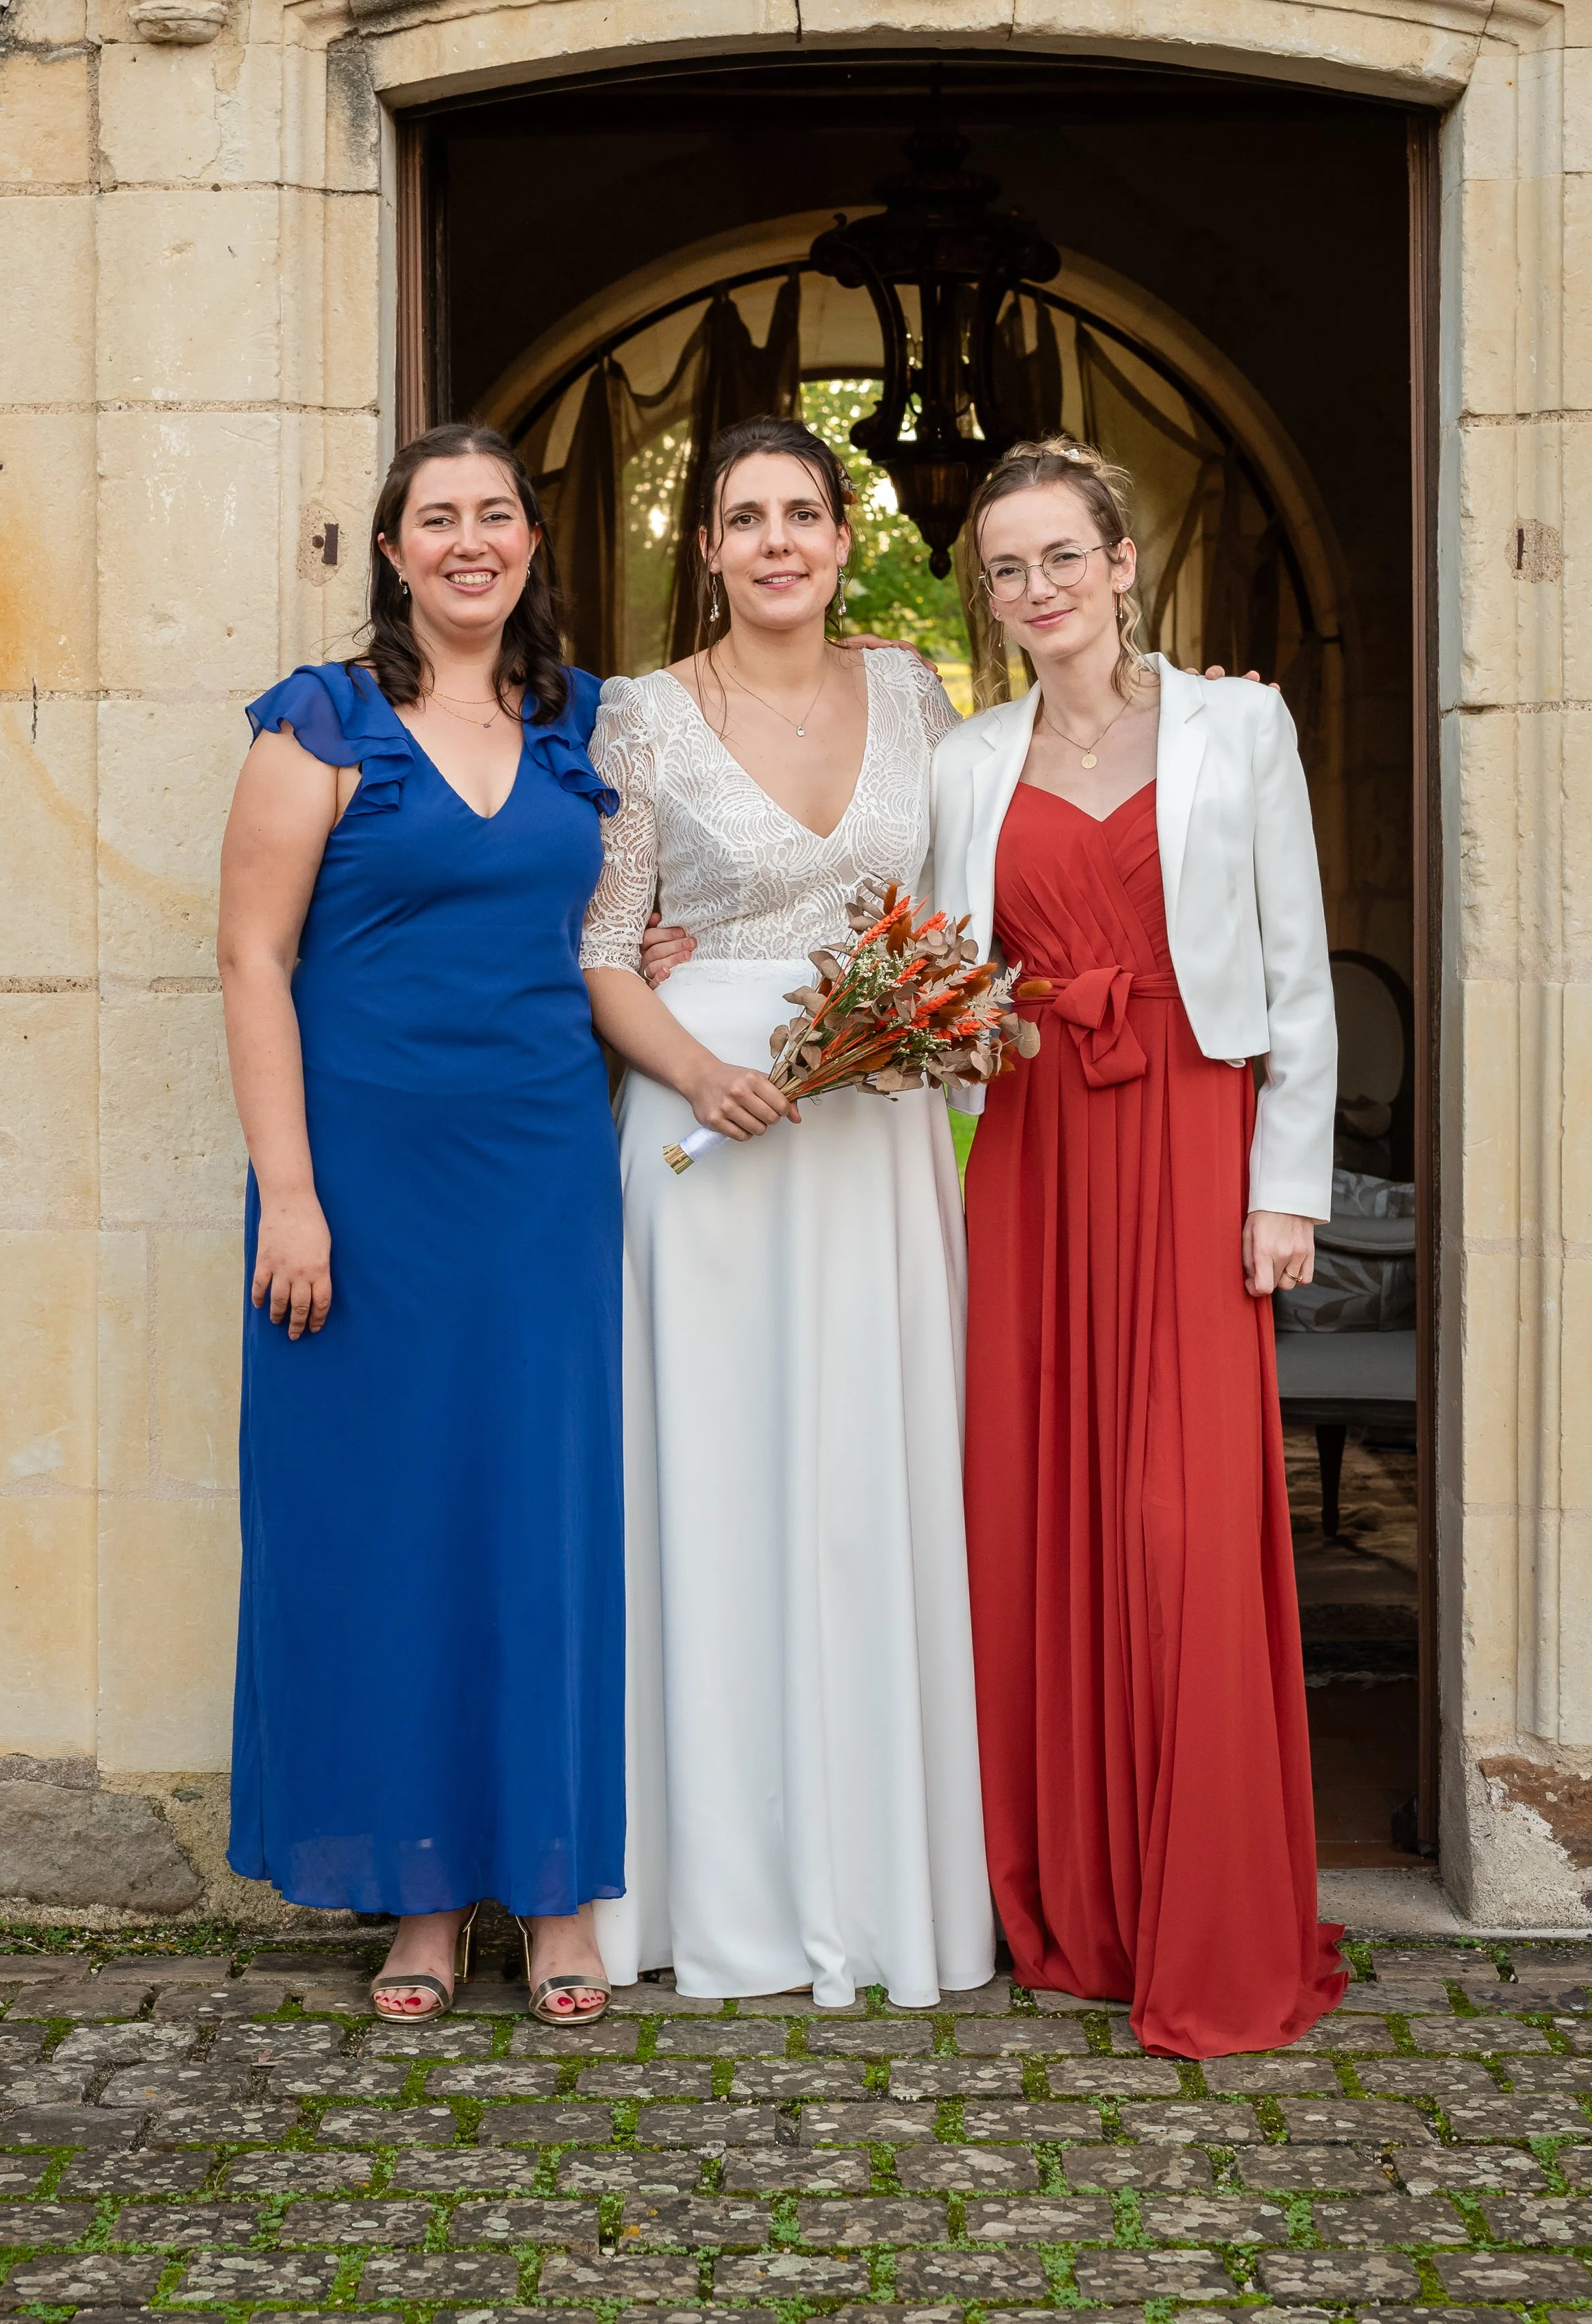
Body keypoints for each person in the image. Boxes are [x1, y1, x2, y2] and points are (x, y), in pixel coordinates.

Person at [930, 436, 1345, 2057]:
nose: (1037, 590)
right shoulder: (968, 760)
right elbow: (908, 956)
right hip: (1028, 1149)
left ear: (1121, 566)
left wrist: (1283, 1182)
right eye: (1007, 568)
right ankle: (1076, 1909)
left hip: (1190, 1136)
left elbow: (1296, 966)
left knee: (1180, 1520)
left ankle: (1205, 1914)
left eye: (1061, 558)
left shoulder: (1239, 724)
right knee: (1041, 1504)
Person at [580, 415, 995, 2007]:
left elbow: (962, 897)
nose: (774, 542)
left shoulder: (908, 689)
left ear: (839, 536)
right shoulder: (639, 718)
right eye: (743, 517)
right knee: (716, 1490)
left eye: (801, 515)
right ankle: (711, 1898)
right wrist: (697, 1069)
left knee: (863, 1490)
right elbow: (603, 946)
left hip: (874, 1129)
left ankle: (881, 1892)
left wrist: (1203, 713)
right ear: (709, 548)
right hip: (704, 1140)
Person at [217, 424, 624, 2025]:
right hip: (360, 1191)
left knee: (537, 1523)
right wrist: (294, 1195)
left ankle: (559, 1892)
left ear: (532, 542)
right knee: (384, 1533)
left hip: (537, 1182)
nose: (469, 541)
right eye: (434, 518)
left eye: (495, 516)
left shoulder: (582, 721)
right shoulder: (316, 720)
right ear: (391, 551)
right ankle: (420, 1900)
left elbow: (616, 916)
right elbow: (253, 960)